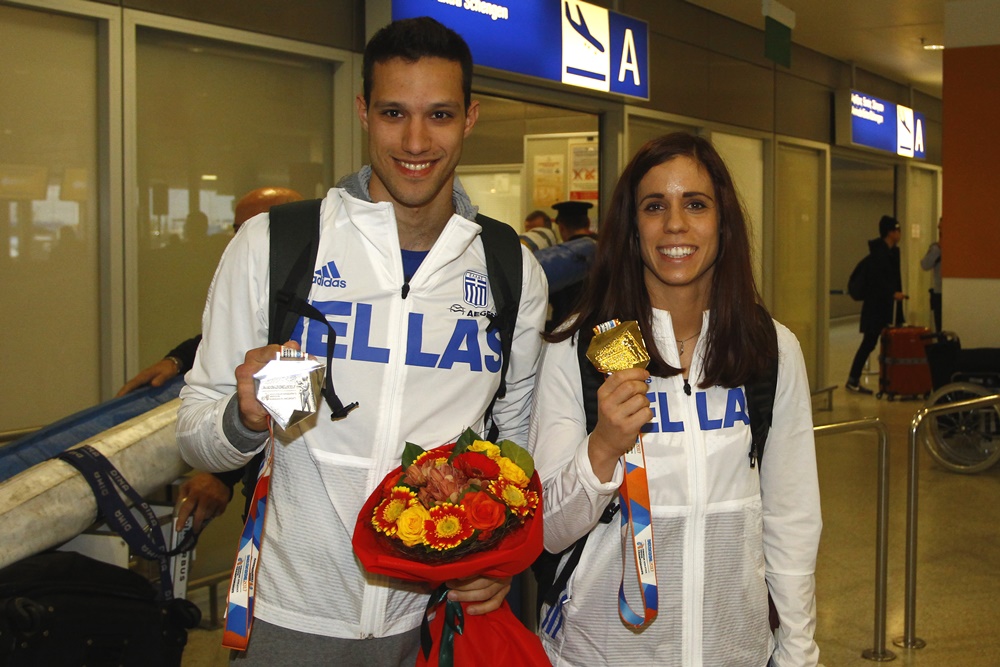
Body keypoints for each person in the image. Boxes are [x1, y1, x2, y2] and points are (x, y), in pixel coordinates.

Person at [176, 17, 547, 665]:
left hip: (437, 622)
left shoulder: (511, 268)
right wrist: (242, 416)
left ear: (470, 118)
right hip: (287, 620)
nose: (415, 139)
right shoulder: (275, 245)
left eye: (439, 114)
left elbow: (514, 448)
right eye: (393, 112)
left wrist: (500, 560)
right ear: (362, 112)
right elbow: (193, 432)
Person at [528, 133, 821, 666]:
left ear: (722, 223)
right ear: (632, 227)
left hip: (735, 651)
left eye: (696, 204)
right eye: (655, 205)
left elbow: (792, 517)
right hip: (601, 652)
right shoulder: (579, 346)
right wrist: (602, 449)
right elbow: (548, 530)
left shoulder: (771, 348)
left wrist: (798, 652)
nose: (676, 224)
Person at [116, 186, 304, 533]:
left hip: (300, 494)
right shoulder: (251, 272)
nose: (246, 239)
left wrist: (220, 475)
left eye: (260, 226)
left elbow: (286, 409)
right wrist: (175, 361)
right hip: (265, 500)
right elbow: (227, 343)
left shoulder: (312, 290)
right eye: (238, 230)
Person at [846, 214, 906, 394]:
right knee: (869, 343)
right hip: (876, 309)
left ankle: (883, 379)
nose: (900, 233)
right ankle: (853, 379)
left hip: (883, 308)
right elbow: (879, 283)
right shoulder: (880, 256)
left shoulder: (889, 253)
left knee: (874, 343)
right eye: (897, 230)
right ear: (890, 233)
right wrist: (892, 294)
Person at [544, 200, 598, 331]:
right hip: (604, 328)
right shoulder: (605, 247)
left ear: (561, 227)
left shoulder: (559, 258)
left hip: (567, 330)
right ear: (588, 223)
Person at [920, 217, 942, 332]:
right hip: (939, 292)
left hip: (954, 289)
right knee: (940, 328)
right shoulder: (935, 248)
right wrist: (937, 250)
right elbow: (925, 265)